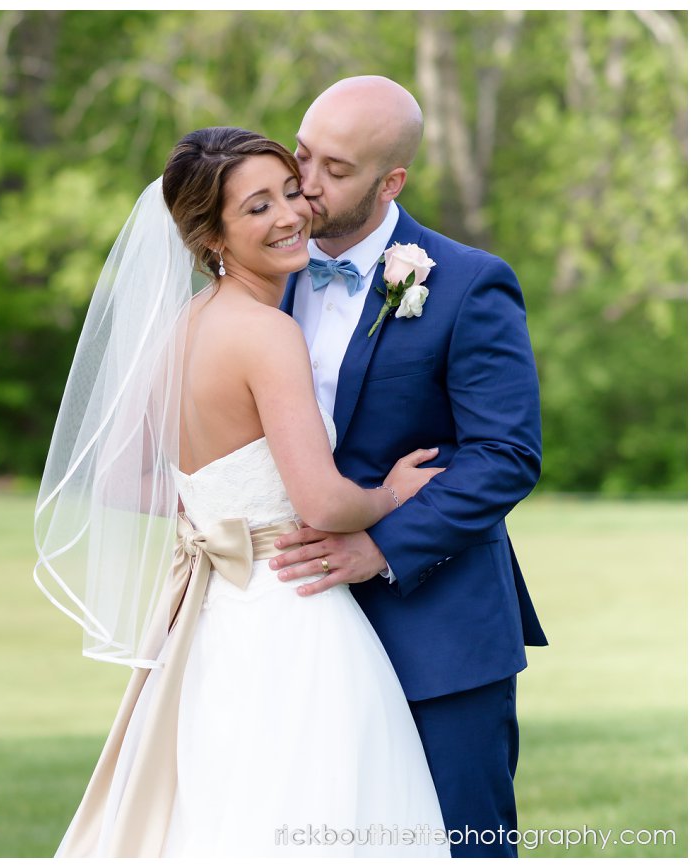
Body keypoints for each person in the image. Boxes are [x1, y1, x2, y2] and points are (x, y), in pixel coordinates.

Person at [34, 127, 451, 857]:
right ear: (211, 236)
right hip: (294, 612)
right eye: (257, 207)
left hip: (214, 618)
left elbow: (119, 479)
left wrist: (219, 515)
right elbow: (323, 505)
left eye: (290, 192)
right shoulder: (266, 333)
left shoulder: (180, 328)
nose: (290, 215)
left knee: (226, 807)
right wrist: (390, 495)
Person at [268, 76, 547, 858]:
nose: (306, 183)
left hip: (438, 629)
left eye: (337, 170)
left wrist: (379, 547)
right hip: (293, 623)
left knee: (461, 844)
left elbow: (505, 455)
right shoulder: (258, 276)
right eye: (301, 155)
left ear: (390, 182)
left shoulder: (468, 283)